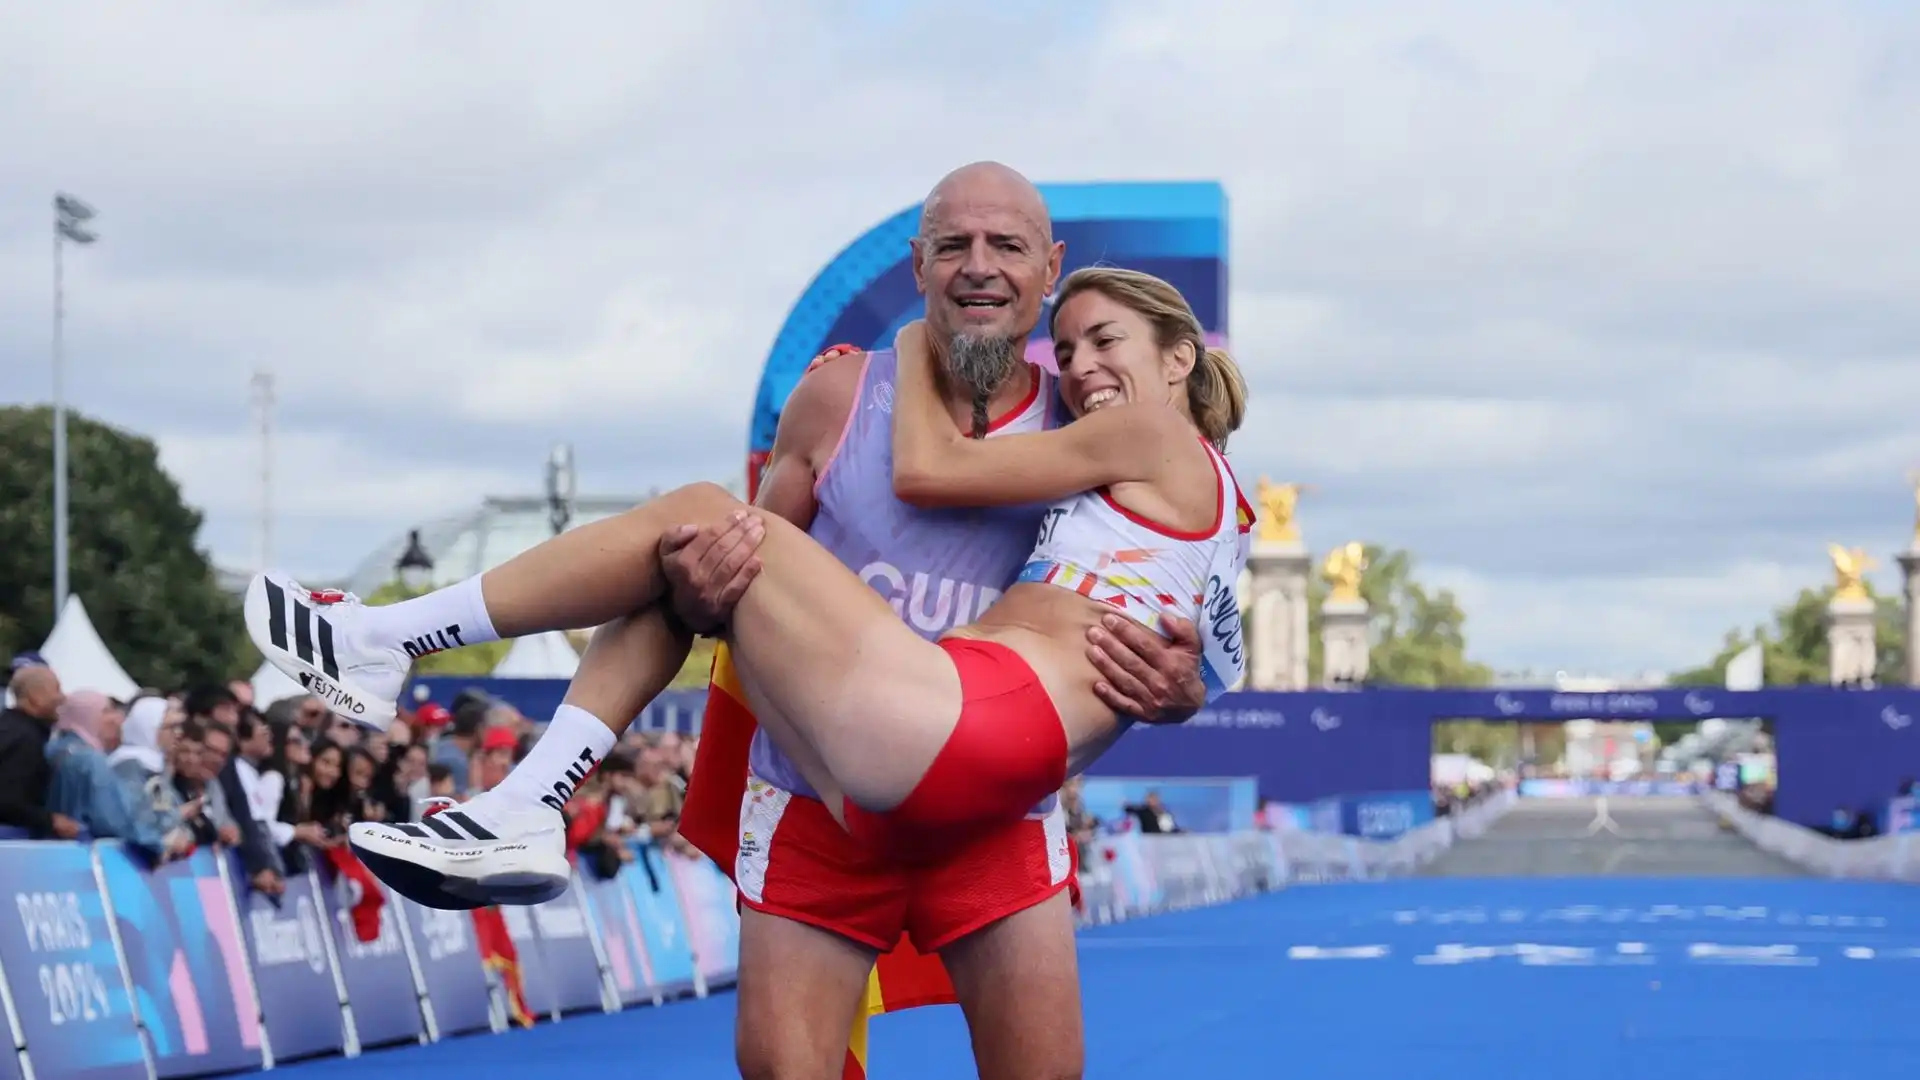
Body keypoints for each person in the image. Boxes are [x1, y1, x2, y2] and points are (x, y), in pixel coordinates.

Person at [255, 165, 1237, 1077]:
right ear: (919, 266)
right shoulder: (841, 394)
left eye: (1008, 247)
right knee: (692, 545)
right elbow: (720, 580)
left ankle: (438, 701)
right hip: (818, 786)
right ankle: (506, 778)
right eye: (954, 245)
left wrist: (1187, 689)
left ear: (1048, 271)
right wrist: (695, 591)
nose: (979, 267)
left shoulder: (1092, 418)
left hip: (985, 794)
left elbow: (1200, 589)